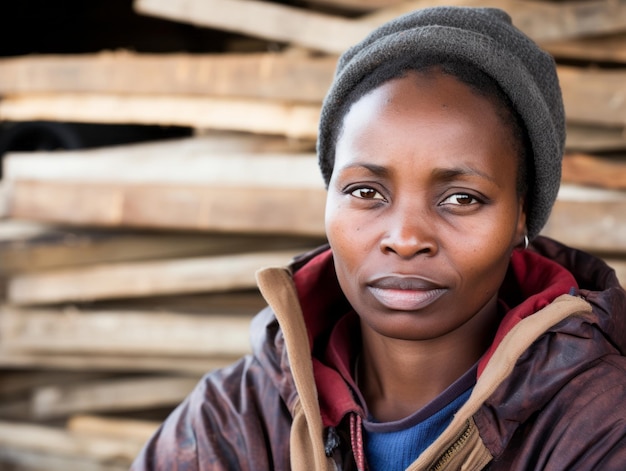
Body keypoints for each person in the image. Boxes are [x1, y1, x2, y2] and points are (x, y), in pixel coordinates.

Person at [131, 6, 626, 470]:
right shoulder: (234, 418)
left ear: (522, 216)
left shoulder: (600, 424)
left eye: (461, 198)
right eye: (366, 191)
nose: (406, 238)